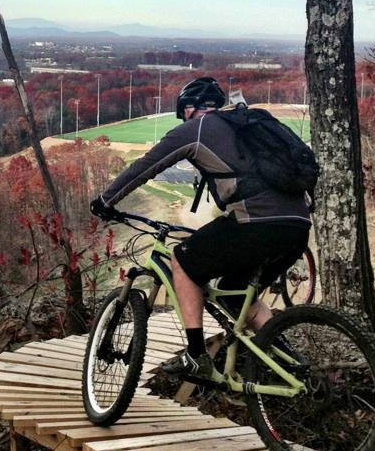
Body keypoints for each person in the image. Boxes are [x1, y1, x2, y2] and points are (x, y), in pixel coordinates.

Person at [90, 76, 311, 379]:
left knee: (182, 259)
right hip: (297, 226)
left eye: (183, 114)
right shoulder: (245, 124)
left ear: (189, 108)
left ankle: (196, 356)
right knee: (236, 295)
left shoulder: (197, 129)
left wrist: (105, 200)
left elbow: (145, 166)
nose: (183, 119)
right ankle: (293, 366)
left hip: (256, 222)